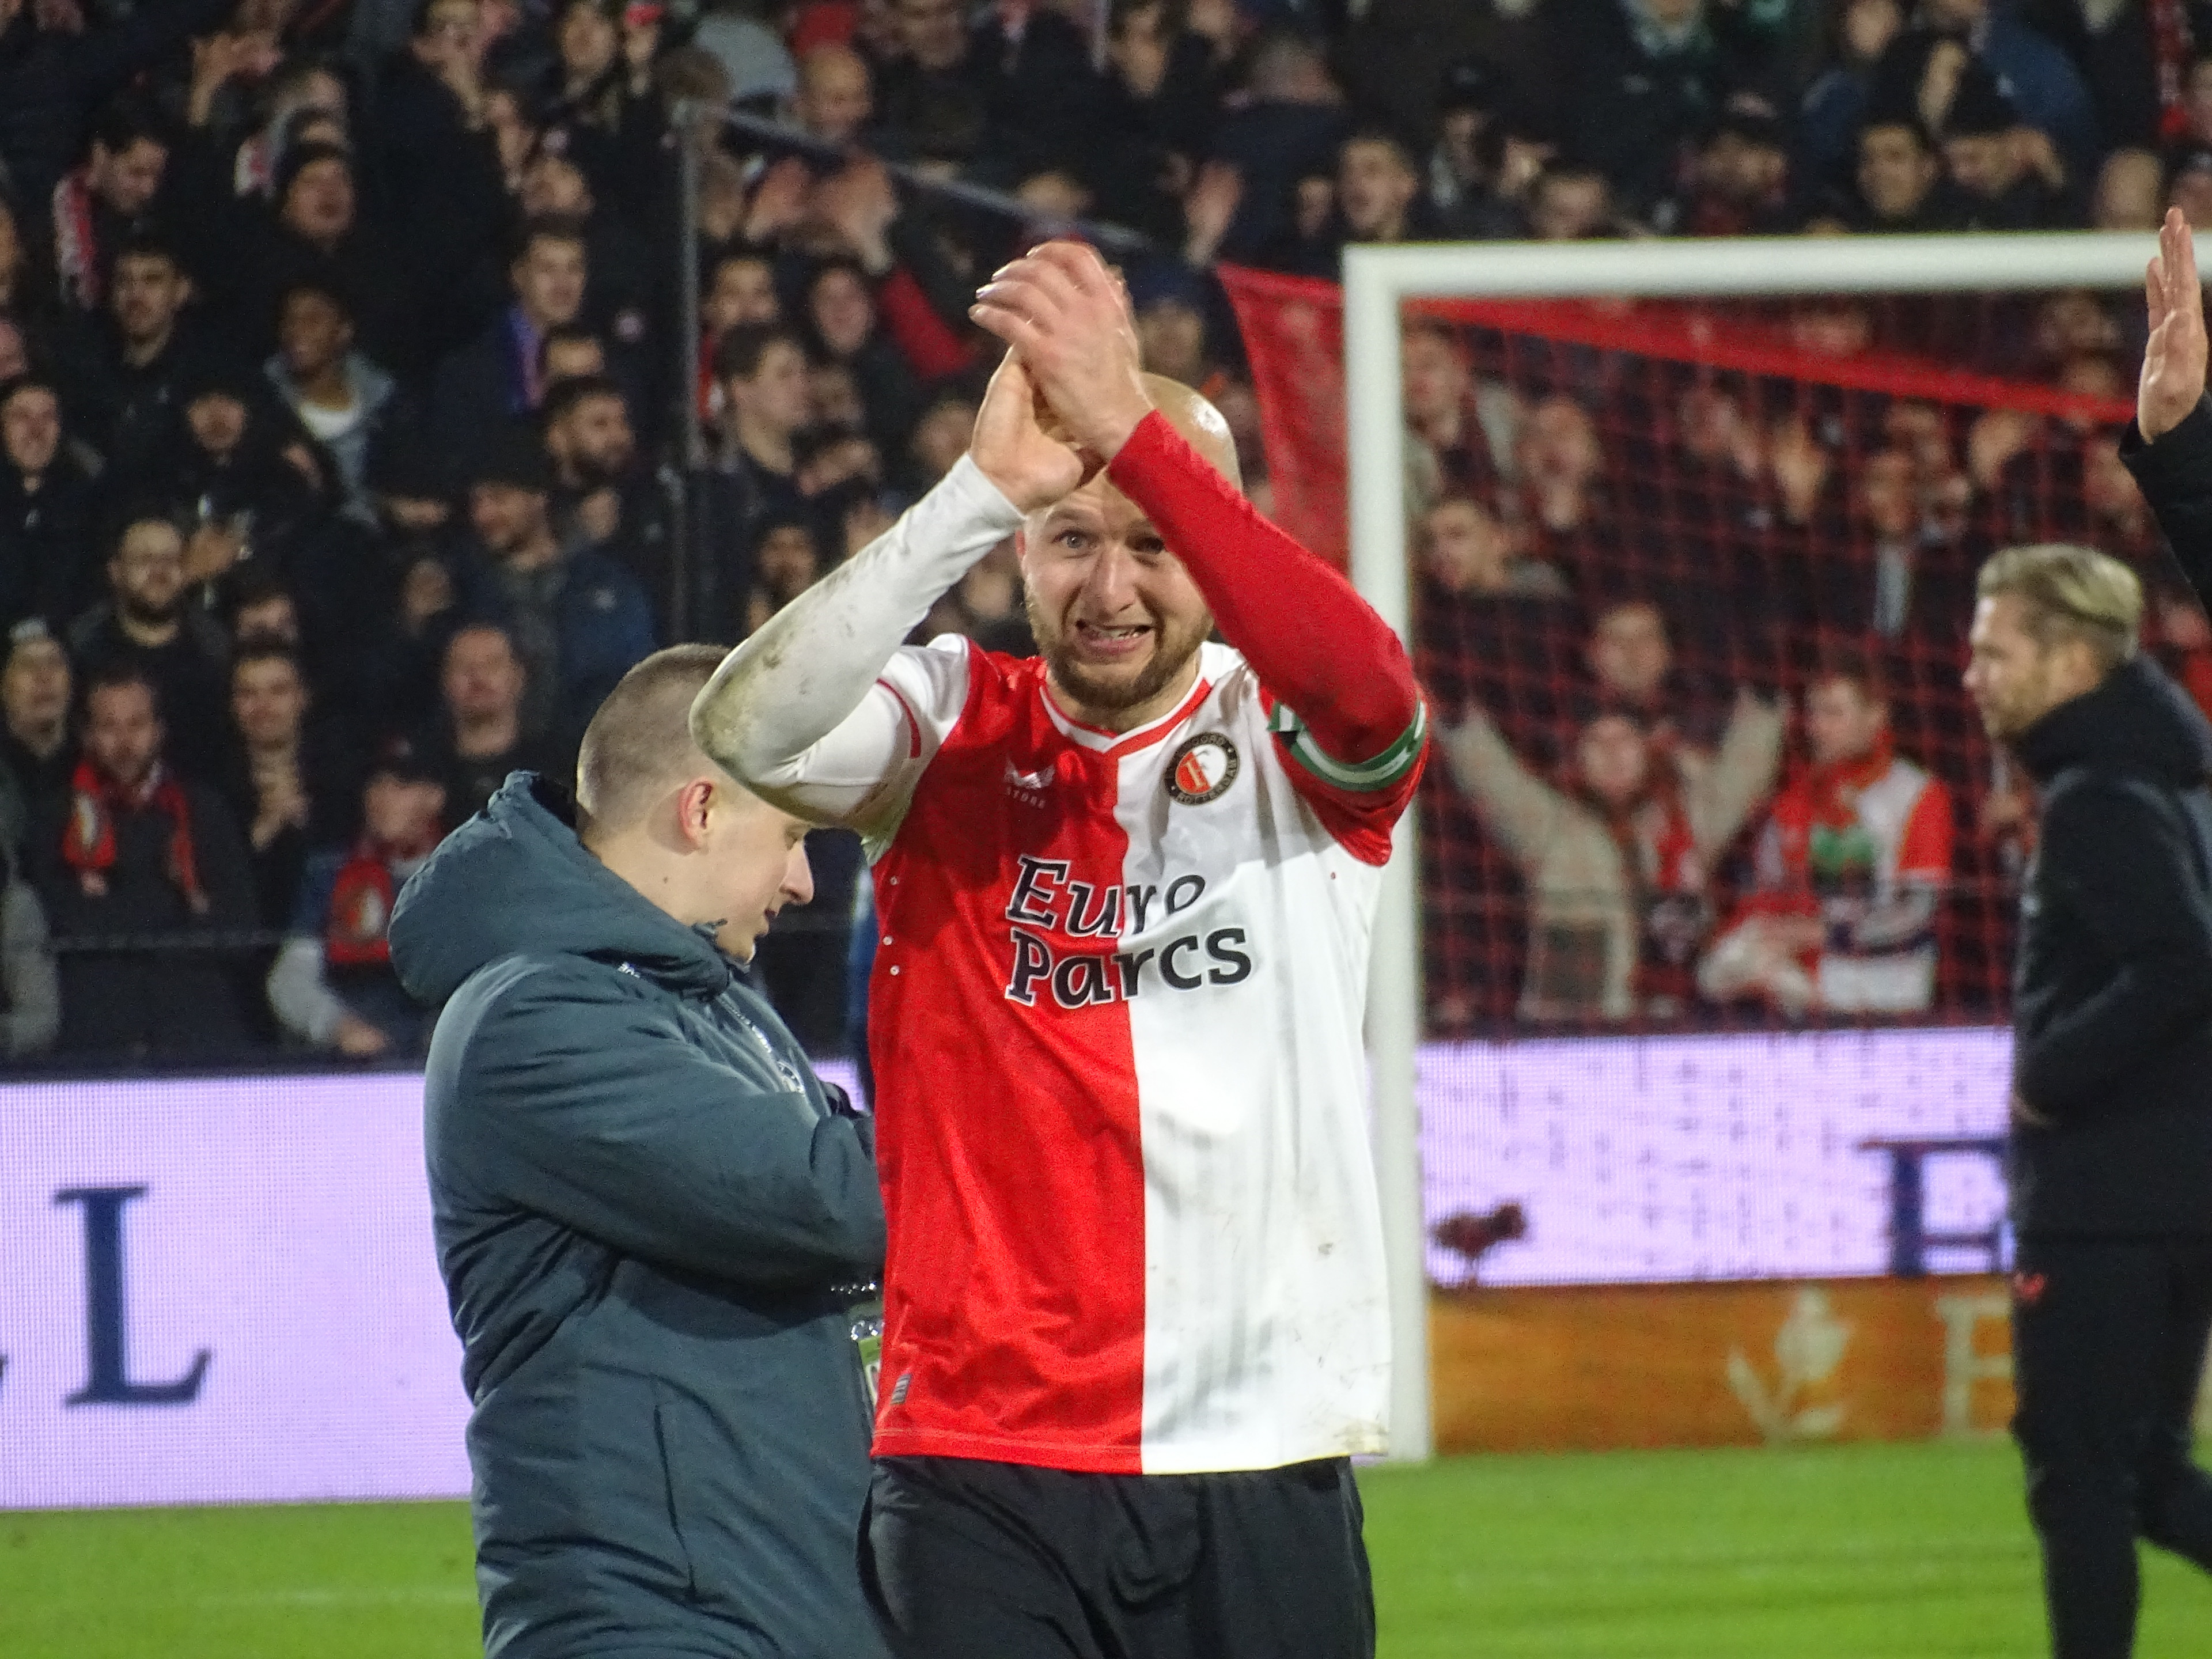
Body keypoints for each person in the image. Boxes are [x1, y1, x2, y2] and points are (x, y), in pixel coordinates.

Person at [692, 240, 1423, 1659]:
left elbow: (1373, 692)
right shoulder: (947, 720)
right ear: (1025, 551)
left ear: (1214, 535)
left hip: (1258, 1438)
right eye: (1072, 537)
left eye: (1153, 538)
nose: (1110, 585)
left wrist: (1133, 432)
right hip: (980, 1457)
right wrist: (978, 492)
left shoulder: (1285, 743)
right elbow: (748, 733)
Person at [388, 645, 889, 1659]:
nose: (802, 882)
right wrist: (1039, 1113)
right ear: (700, 810)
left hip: (785, 1611)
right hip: (662, 1624)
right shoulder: (532, 1017)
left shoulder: (722, 1007)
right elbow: (830, 1197)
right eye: (792, 835)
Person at [1958, 202, 2212, 1659]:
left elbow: (2180, 957)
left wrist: (2049, 1071)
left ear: (2066, 656)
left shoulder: (2104, 792)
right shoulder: (2154, 771)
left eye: (1995, 648)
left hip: (2112, 1194)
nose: (1971, 673)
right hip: (2163, 1180)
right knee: (2142, 1472)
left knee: (2082, 1475)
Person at [1440, 697, 1781, 1021]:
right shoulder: (1552, 828)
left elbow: (1741, 777)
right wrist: (1461, 723)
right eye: (1597, 742)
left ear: (1647, 750)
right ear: (1578, 755)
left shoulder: (1686, 822)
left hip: (1674, 1030)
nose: (1612, 754)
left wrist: (1764, 708)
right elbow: (1495, 782)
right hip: (1573, 1033)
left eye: (1625, 740)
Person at [28, 662, 258, 1057]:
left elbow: (240, 933)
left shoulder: (204, 812)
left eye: (136, 725)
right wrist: (182, 907)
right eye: (109, 726)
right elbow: (60, 929)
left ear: (159, 731)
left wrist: (118, 908)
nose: (124, 742)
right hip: (96, 1032)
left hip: (197, 1027)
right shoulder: (56, 818)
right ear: (87, 736)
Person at [1699, 661, 1954, 1017]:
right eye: (1814, 713)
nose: (1818, 727)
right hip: (1803, 989)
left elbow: (1917, 913)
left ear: (1875, 717)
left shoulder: (1919, 795)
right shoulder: (1794, 799)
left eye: (1834, 713)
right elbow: (1764, 890)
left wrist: (1824, 934)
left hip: (1889, 990)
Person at [268, 739, 445, 1058]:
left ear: (434, 797)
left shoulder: (468, 877)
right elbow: (289, 977)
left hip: (435, 1059)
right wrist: (337, 1026)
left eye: (401, 786)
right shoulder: (328, 873)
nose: (384, 798)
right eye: (376, 785)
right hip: (345, 1058)